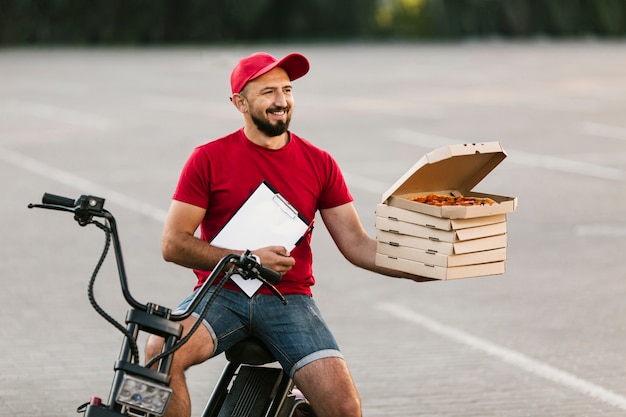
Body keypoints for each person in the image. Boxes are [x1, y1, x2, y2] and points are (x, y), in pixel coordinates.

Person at [145, 51, 430, 417]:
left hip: (289, 299)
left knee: (344, 407)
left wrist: (414, 265)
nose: (281, 101)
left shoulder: (319, 162)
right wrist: (245, 258)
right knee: (159, 351)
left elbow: (357, 243)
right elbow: (173, 244)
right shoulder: (208, 159)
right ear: (239, 102)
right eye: (267, 92)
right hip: (221, 293)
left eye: (287, 90)